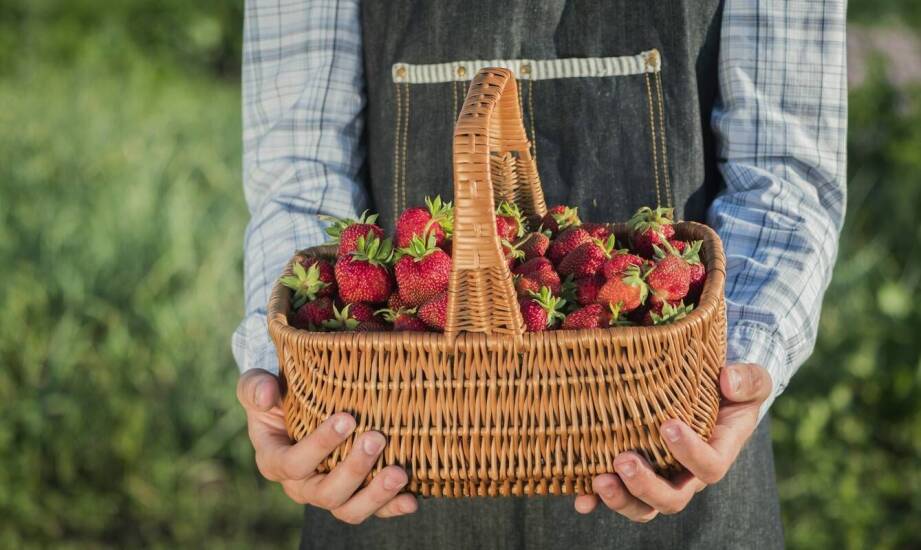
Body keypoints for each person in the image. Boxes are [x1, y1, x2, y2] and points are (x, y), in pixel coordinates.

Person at [232, 1, 846, 548]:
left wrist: (735, 370)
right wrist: (289, 382)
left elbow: (784, 173)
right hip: (388, 442)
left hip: (674, 431)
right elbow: (299, 171)